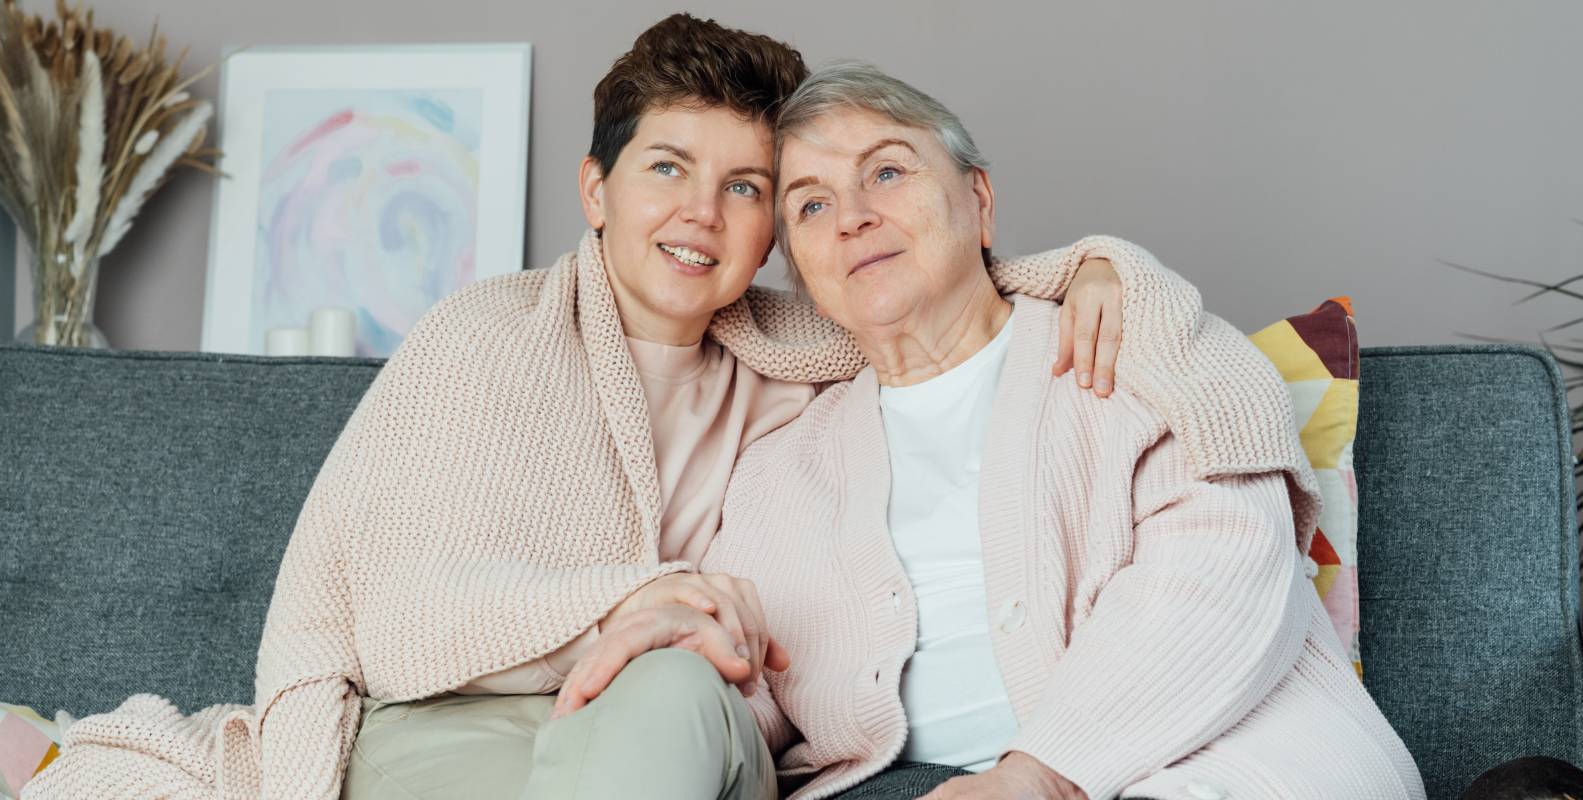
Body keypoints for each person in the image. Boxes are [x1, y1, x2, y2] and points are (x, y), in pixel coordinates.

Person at [24, 15, 1194, 800]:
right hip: (454, 733)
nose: (702, 214)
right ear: (596, 187)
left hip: (679, 736)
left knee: (679, 685)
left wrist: (1103, 267)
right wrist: (639, 600)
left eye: (745, 188)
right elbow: (404, 619)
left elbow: (943, 282)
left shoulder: (799, 345)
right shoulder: (485, 335)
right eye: (666, 169)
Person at [562, 62, 1429, 800]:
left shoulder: (1140, 341)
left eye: (888, 173)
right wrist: (683, 660)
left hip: (1229, 760)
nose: (853, 215)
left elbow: (1222, 570)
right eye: (811, 205)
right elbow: (764, 691)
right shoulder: (783, 466)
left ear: (979, 202)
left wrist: (1038, 775)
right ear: (799, 268)